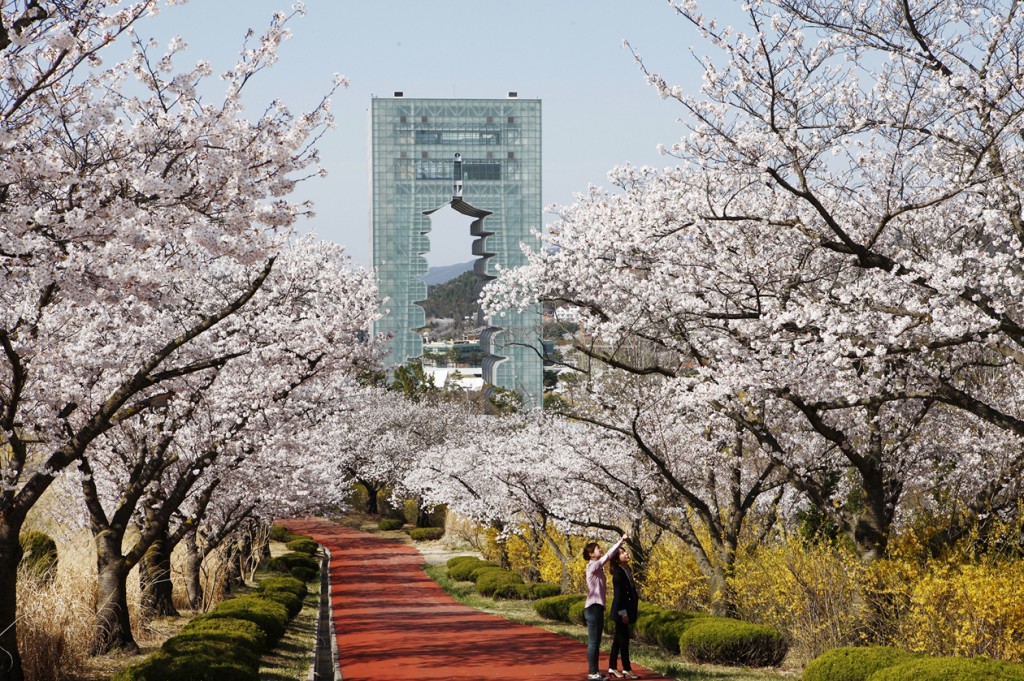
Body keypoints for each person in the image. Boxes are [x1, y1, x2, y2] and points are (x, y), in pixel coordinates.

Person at [582, 533, 628, 681]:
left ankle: (595, 672)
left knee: (596, 641)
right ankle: (592, 673)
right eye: (597, 548)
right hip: (593, 607)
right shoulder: (593, 565)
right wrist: (620, 540)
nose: (600, 549)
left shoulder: (597, 567)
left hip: (597, 607)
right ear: (591, 554)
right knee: (594, 642)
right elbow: (608, 556)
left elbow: (606, 557)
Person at [606, 547, 640, 679]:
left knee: (619, 640)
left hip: (627, 610)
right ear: (616, 559)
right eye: (622, 553)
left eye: (625, 551)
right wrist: (623, 613)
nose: (626, 553)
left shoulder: (627, 570)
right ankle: (626, 668)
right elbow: (619, 596)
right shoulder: (618, 574)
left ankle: (613, 667)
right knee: (624, 640)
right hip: (621, 612)